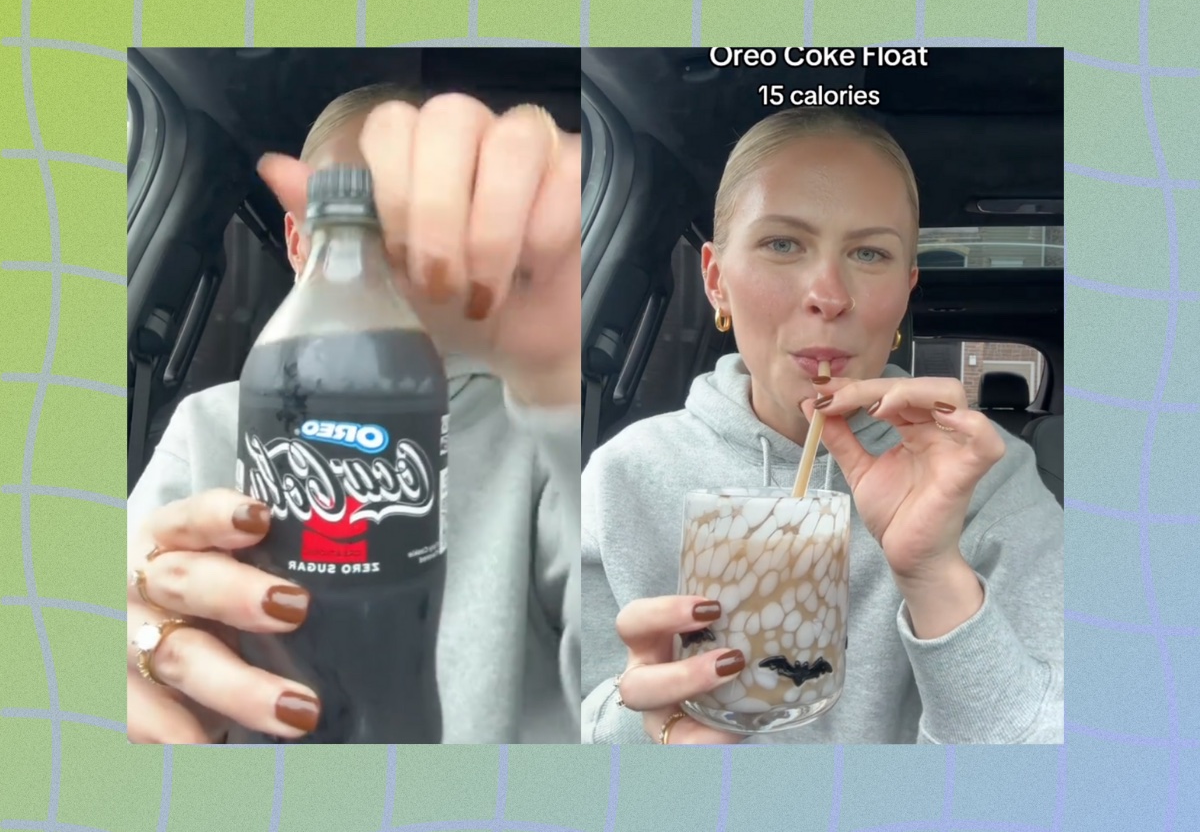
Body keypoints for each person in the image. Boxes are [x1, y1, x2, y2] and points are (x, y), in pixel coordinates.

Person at [581, 108, 1063, 745]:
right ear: (716, 280)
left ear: (905, 291)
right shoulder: (622, 476)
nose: (829, 295)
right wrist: (643, 728)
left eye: (869, 252)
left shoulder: (992, 479)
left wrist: (933, 575)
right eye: (783, 244)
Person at [126, 83, 582, 744]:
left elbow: (610, 662)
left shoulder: (537, 427)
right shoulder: (209, 425)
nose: (387, 256)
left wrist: (560, 394)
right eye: (358, 228)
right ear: (297, 240)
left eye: (419, 224)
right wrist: (135, 657)